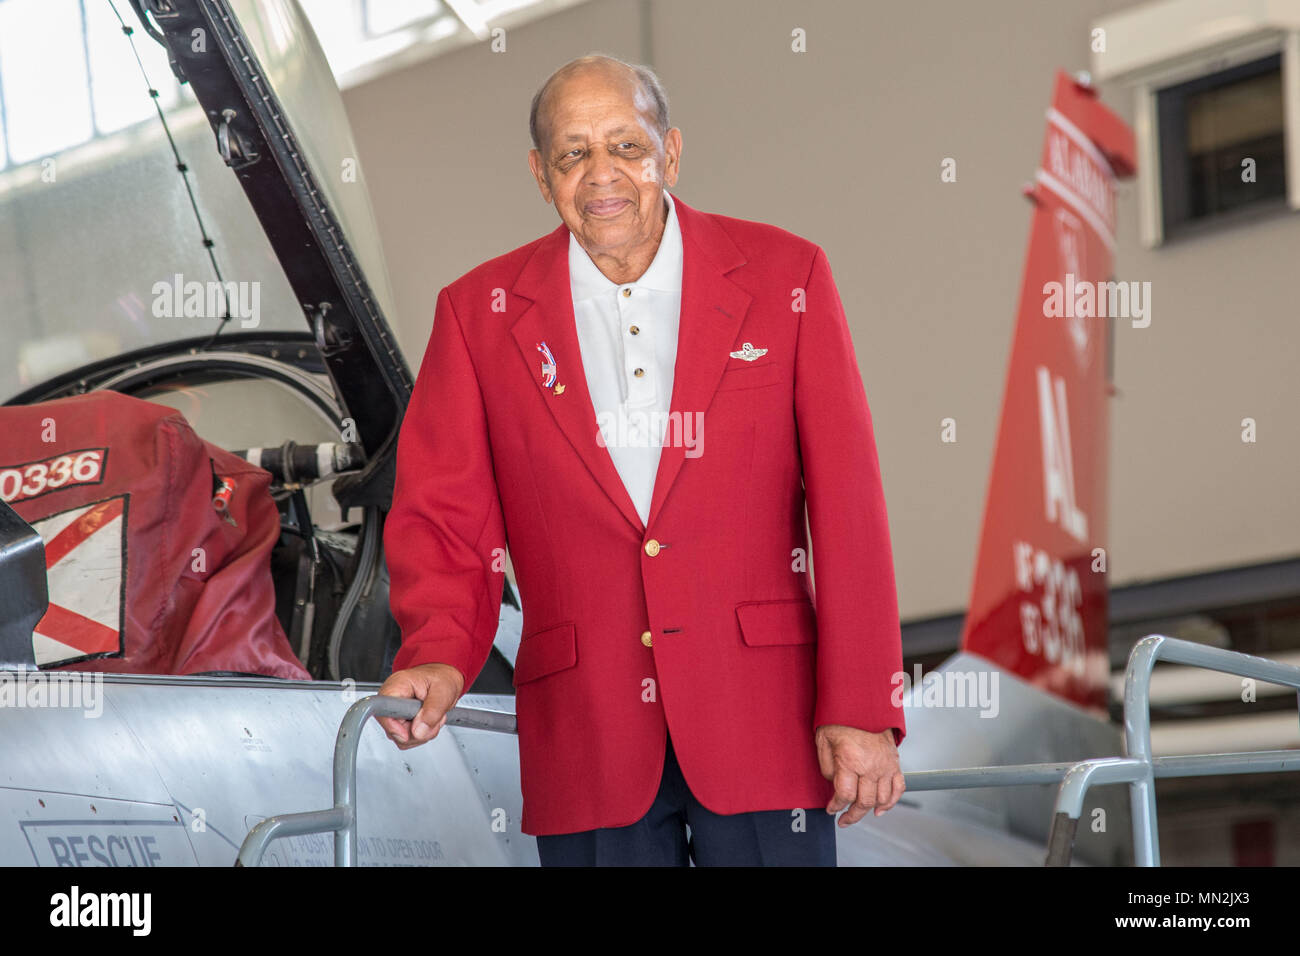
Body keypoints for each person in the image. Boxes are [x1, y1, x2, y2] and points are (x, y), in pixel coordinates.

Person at [378, 53, 906, 866]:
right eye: (573, 153)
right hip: (586, 731)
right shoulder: (476, 314)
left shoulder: (786, 276)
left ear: (671, 152)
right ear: (538, 173)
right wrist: (439, 655)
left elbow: (849, 508)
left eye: (626, 146)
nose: (602, 175)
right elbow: (445, 517)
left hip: (763, 718)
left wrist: (863, 703)